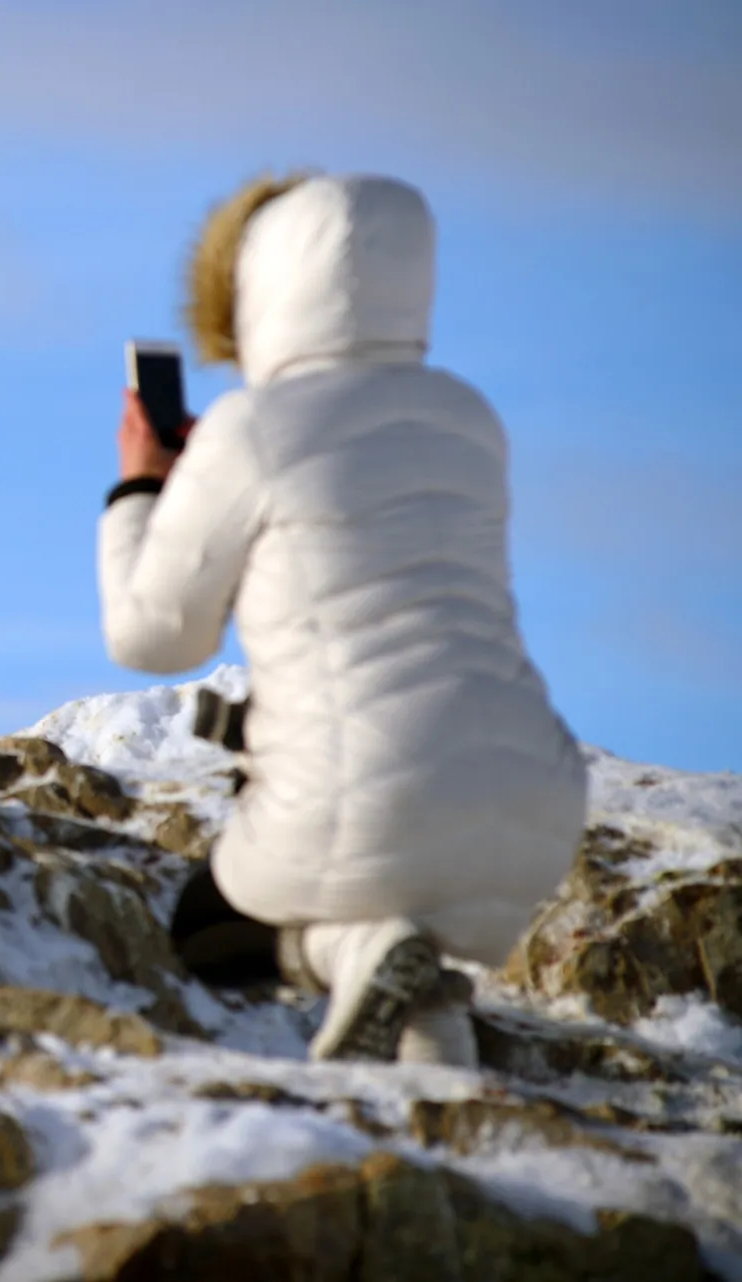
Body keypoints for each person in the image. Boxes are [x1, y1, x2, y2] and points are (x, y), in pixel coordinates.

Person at [99, 172, 587, 1066]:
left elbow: (154, 637)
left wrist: (143, 485)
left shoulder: (251, 429)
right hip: (536, 802)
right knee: (417, 941)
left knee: (211, 932)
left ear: (259, 287)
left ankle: (355, 951)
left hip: (364, 793)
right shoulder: (469, 418)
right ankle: (439, 1102)